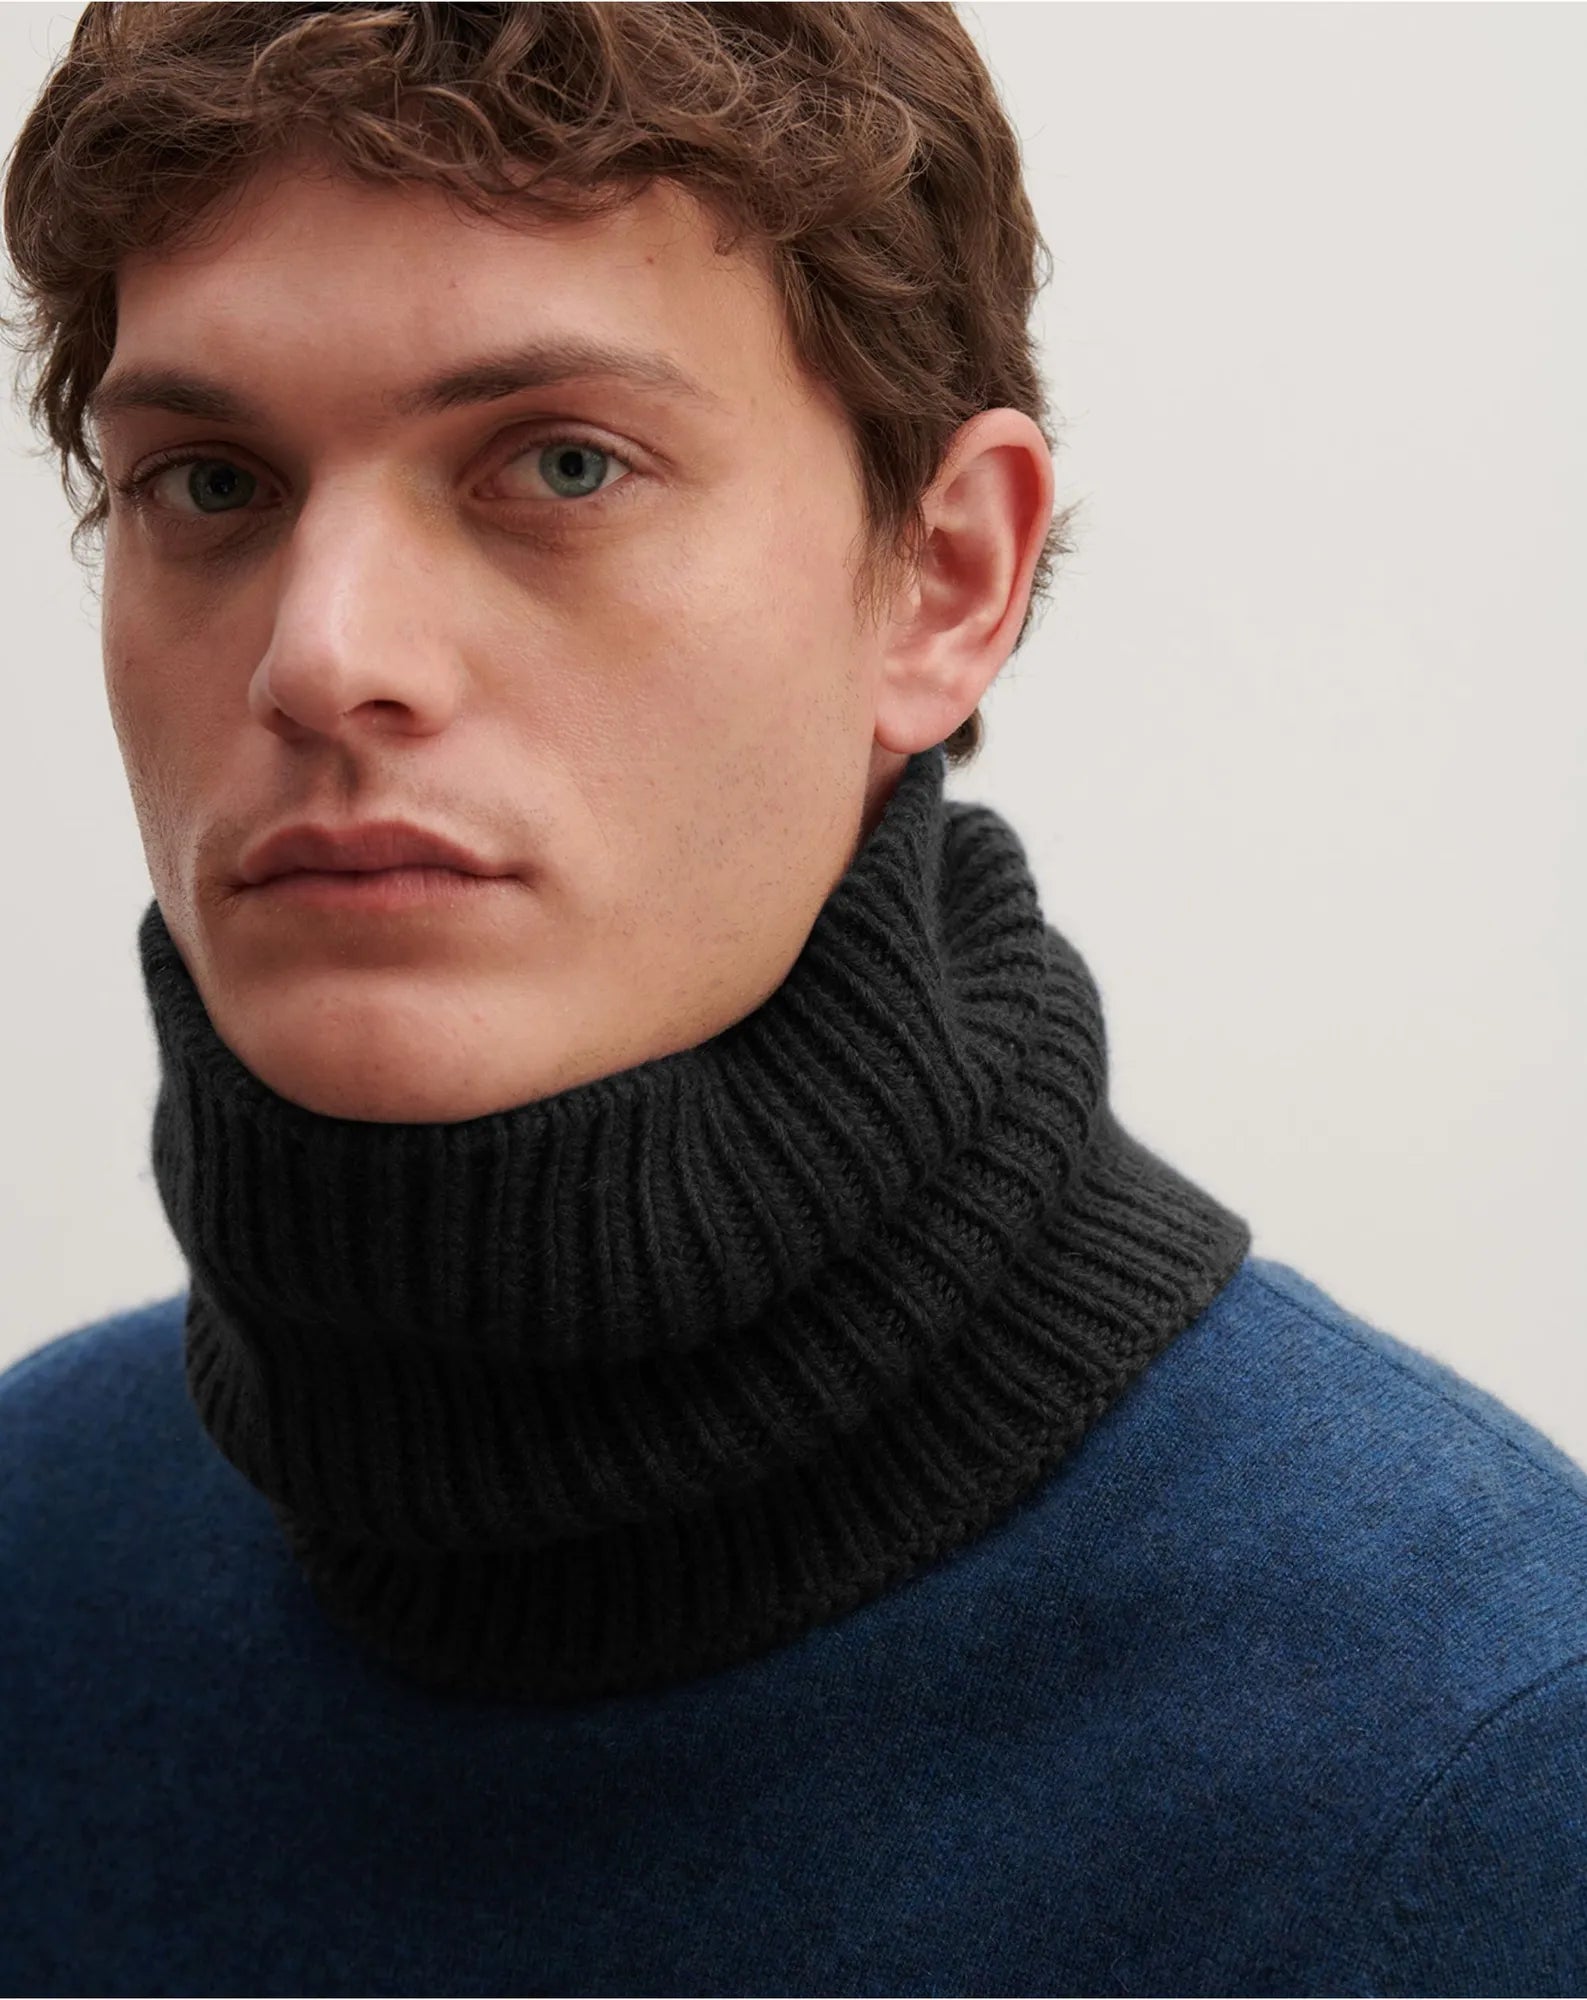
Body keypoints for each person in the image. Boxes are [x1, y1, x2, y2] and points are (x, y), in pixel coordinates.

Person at [1, 5, 1582, 1996]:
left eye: (560, 463)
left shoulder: (1476, 1753)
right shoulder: (34, 1569)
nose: (322, 657)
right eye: (212, 483)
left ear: (944, 577)